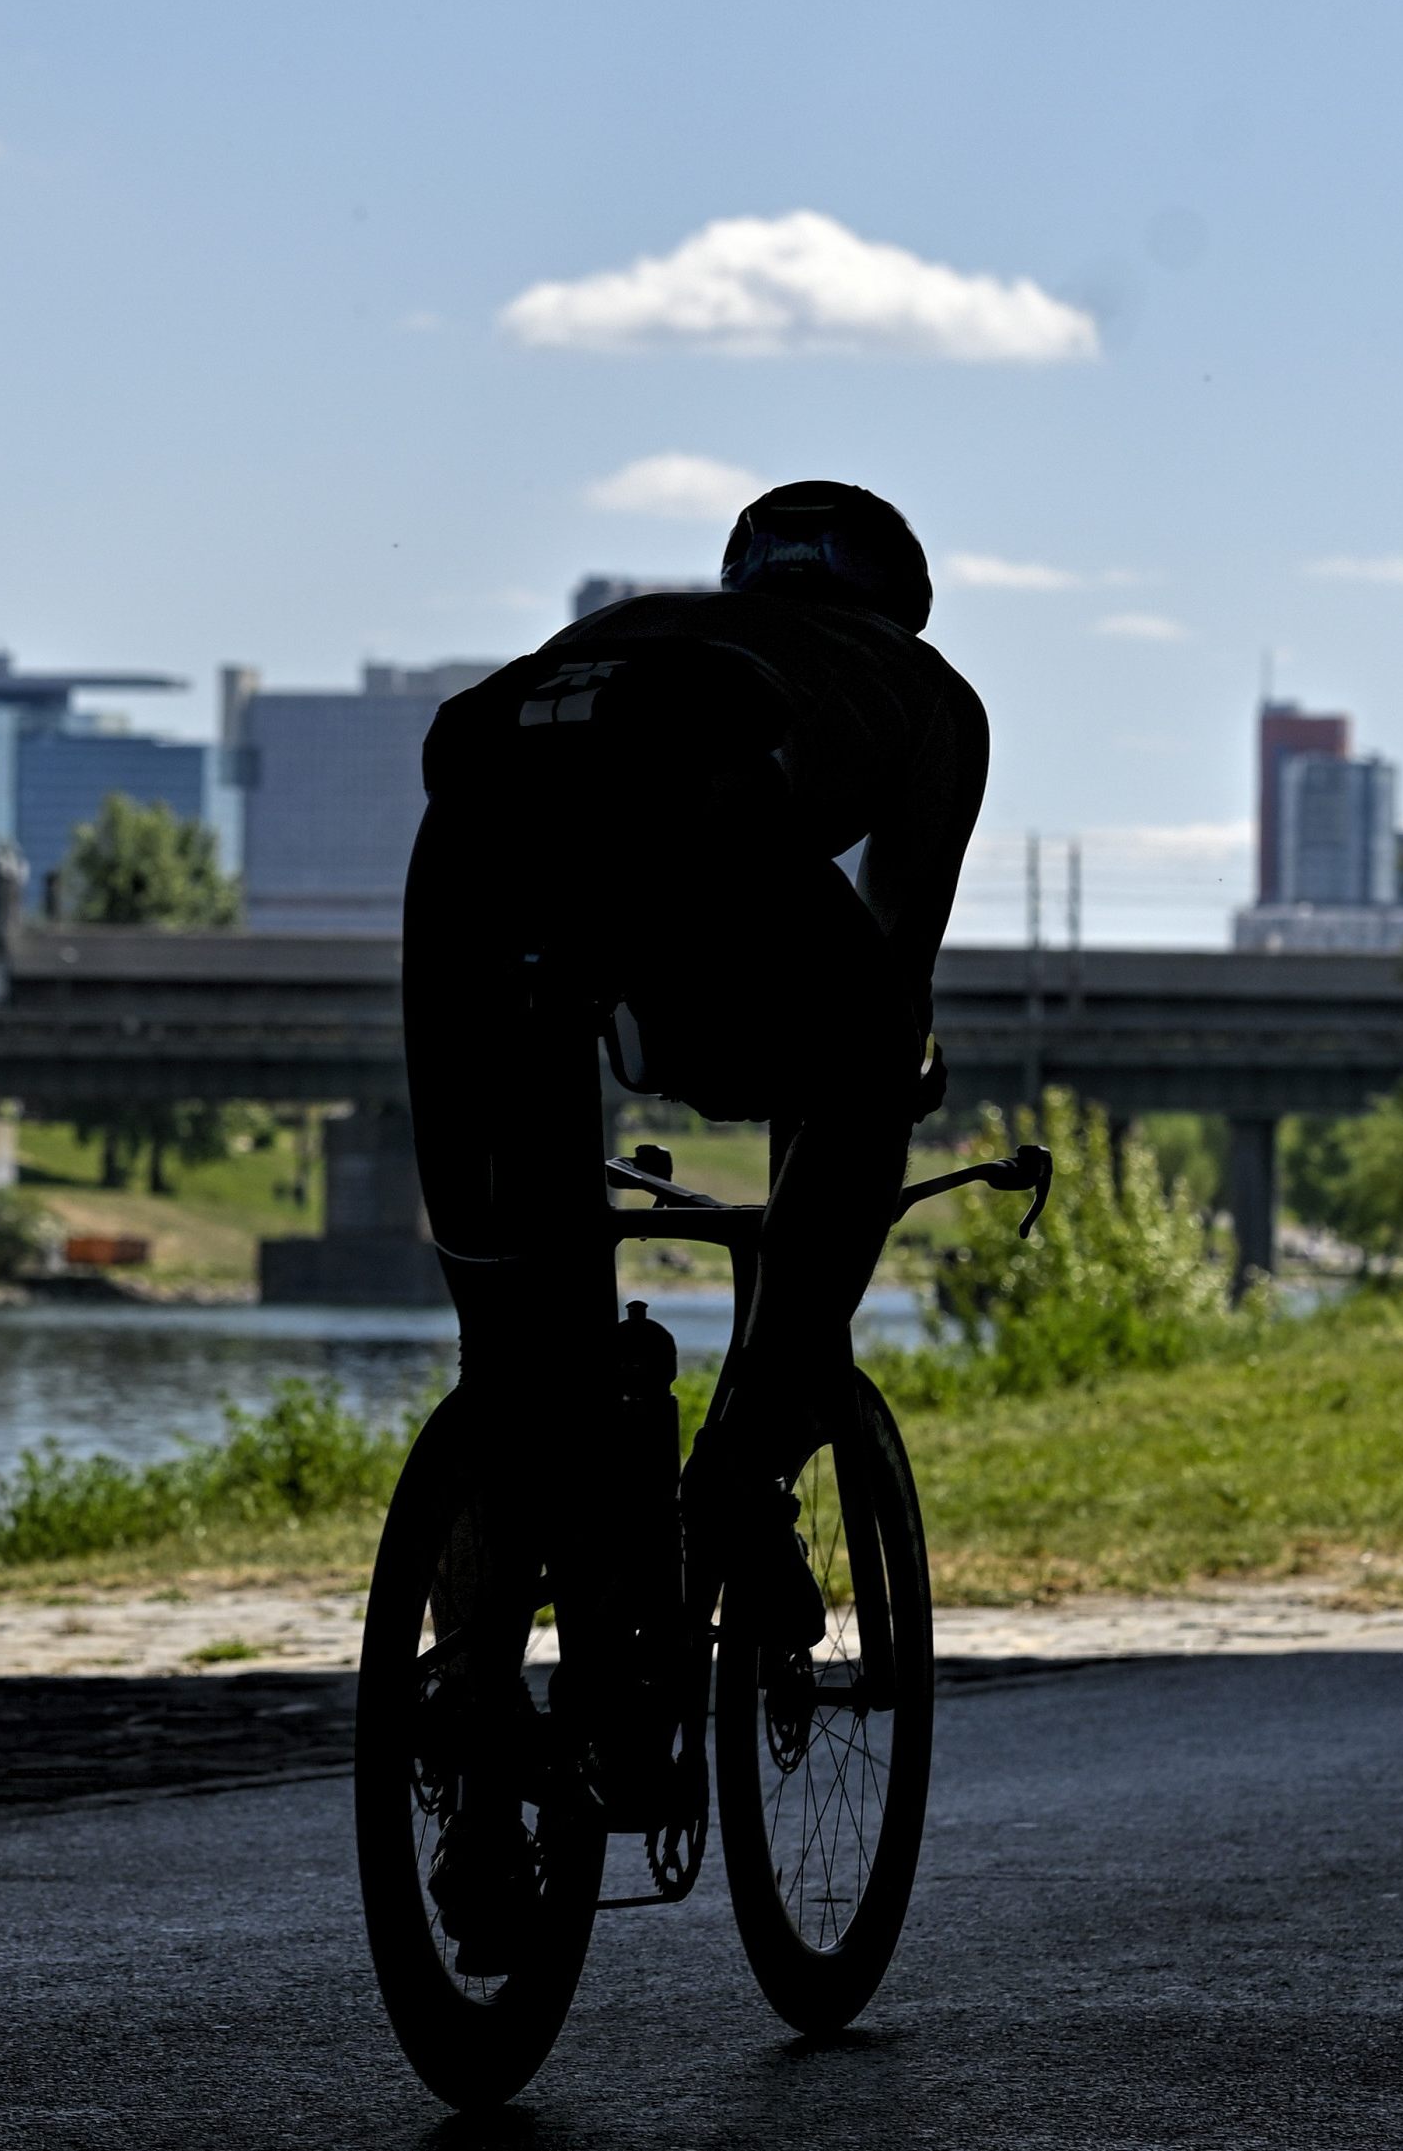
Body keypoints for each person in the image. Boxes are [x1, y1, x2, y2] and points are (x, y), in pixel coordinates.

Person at [400, 481, 988, 1943]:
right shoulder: (923, 693)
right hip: (679, 845)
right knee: (869, 1069)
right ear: (898, 597)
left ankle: (470, 1717)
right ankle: (739, 1469)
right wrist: (863, 1100)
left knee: (519, 1349)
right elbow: (886, 976)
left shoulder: (633, 630)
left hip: (467, 863)